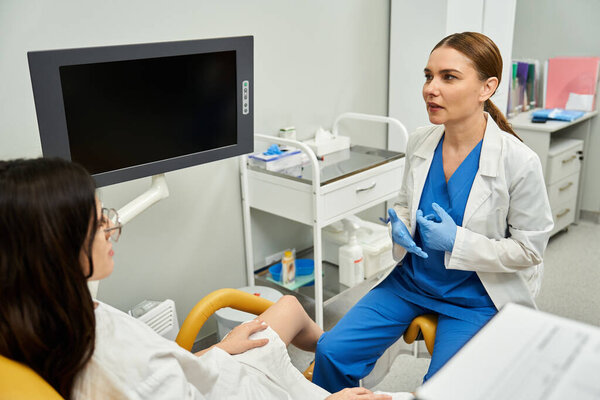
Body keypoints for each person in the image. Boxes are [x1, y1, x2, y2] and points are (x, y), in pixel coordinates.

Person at [0, 158, 396, 400]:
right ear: (57, 247)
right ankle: (331, 378)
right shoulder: (109, 361)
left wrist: (219, 350)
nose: (112, 226)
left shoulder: (52, 316)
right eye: (100, 221)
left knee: (289, 306)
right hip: (234, 391)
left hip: (211, 374)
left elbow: (159, 374)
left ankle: (332, 362)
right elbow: (152, 379)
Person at [312, 32, 554, 393]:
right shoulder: (421, 141)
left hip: (475, 296)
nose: (430, 88)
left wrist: (458, 241)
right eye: (428, 75)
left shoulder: (518, 162)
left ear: (486, 88)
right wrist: (401, 223)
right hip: (411, 282)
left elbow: (530, 249)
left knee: (441, 389)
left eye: (448, 77)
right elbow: (406, 201)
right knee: (330, 351)